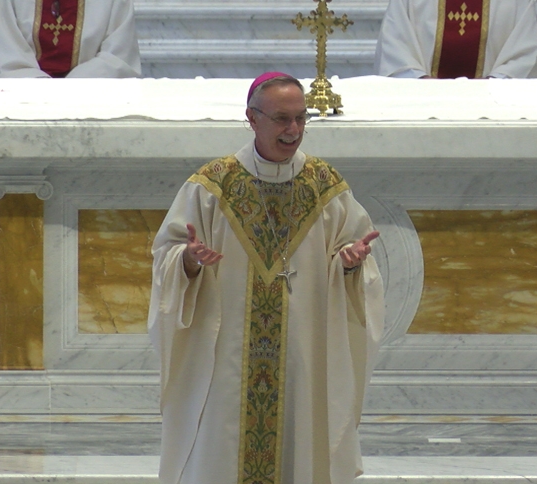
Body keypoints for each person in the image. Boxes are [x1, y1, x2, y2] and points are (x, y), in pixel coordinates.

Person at [148, 73, 385, 484]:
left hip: (302, 356)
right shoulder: (212, 186)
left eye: (300, 118)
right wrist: (188, 261)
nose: (293, 131)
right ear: (251, 118)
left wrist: (349, 264)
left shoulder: (325, 186)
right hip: (226, 361)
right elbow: (166, 256)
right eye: (281, 119)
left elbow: (350, 250)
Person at [375, 0, 537, 79]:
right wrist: (423, 85)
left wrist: (490, 87)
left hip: (492, 114)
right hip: (422, 110)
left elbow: (524, 55)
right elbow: (395, 50)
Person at [0, 0, 141, 78]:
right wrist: (43, 91)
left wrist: (70, 89)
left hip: (90, 105)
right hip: (25, 104)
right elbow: (7, 57)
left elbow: (118, 58)